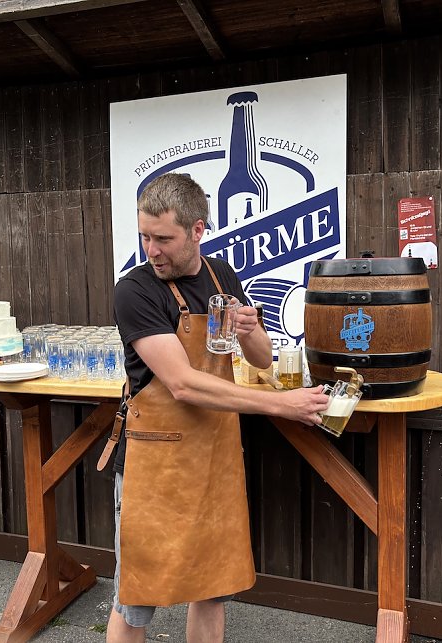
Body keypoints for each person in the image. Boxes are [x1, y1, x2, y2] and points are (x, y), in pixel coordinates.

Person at [107, 173, 331, 643]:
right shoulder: (134, 291)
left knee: (212, 587)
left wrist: (250, 328)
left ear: (197, 230)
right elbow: (184, 384)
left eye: (163, 238)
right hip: (157, 461)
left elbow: (263, 357)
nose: (152, 250)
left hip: (214, 456)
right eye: (145, 237)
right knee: (136, 600)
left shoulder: (221, 275)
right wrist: (280, 404)